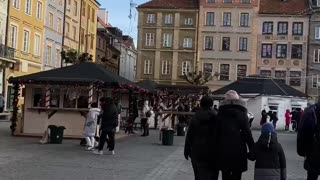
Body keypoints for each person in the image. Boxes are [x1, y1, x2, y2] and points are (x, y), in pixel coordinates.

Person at [217, 90, 254, 180]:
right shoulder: (242, 114)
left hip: (223, 149)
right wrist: (252, 149)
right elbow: (247, 133)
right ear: (238, 100)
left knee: (225, 175)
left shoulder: (220, 114)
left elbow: (216, 133)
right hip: (239, 150)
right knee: (237, 175)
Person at [184, 96, 219, 180]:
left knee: (198, 175)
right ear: (212, 104)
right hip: (213, 151)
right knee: (212, 175)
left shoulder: (195, 117)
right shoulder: (217, 117)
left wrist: (187, 149)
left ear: (201, 104)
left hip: (197, 150)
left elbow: (189, 135)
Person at [297, 102, 320, 180]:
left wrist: (303, 151)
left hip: (313, 153)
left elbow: (303, 133)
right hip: (313, 151)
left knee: (312, 176)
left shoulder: (311, 111)